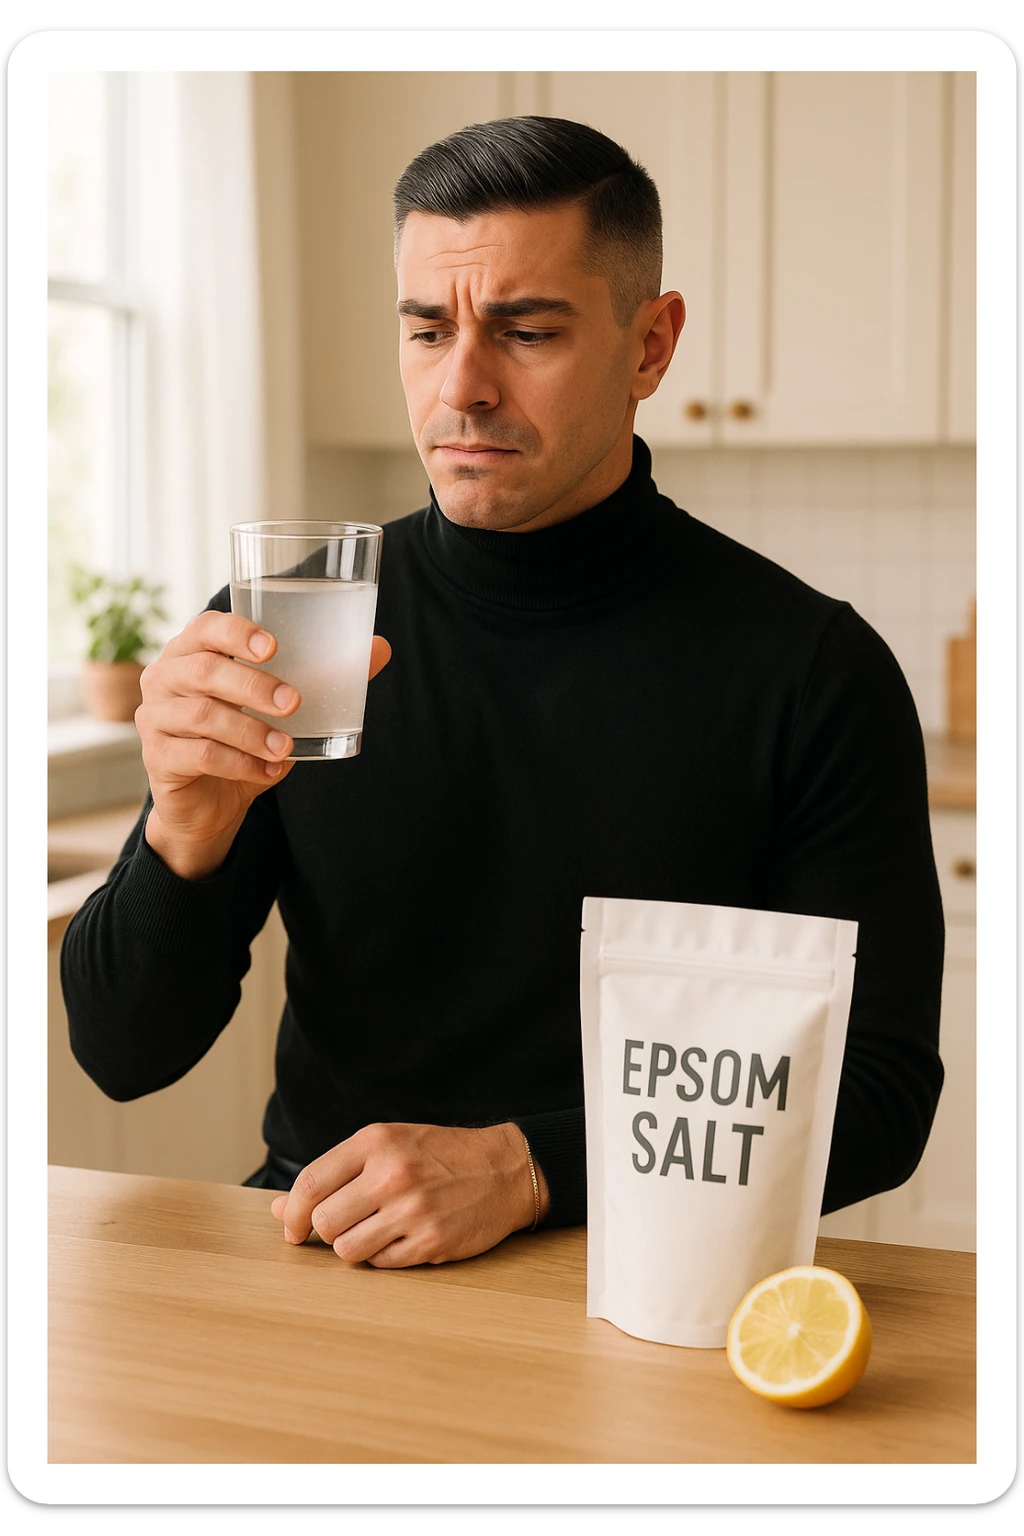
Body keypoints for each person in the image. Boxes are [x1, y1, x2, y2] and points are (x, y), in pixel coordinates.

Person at [61, 115, 945, 1269]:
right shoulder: (298, 624)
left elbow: (878, 1093)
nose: (462, 386)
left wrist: (529, 1166)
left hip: (645, 1272)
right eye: (427, 329)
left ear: (650, 345)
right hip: (327, 1250)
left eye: (526, 330)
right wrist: (183, 827)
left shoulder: (810, 672)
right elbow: (124, 1054)